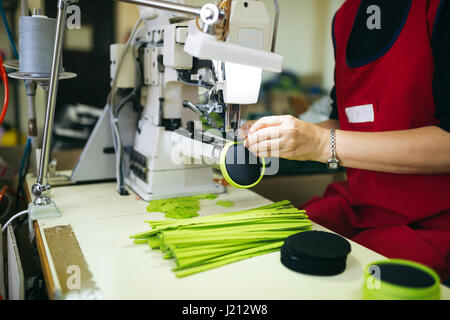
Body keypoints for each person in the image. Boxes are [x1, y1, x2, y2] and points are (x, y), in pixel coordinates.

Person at [243, 0, 450, 281]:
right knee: (268, 249)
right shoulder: (345, 18)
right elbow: (343, 121)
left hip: (434, 220)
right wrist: (285, 136)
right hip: (360, 205)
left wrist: (319, 143)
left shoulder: (436, 9)